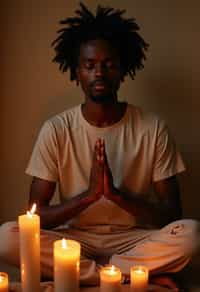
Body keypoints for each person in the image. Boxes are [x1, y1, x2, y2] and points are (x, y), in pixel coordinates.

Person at [0, 2, 199, 289]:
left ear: (123, 70)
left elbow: (172, 213)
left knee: (192, 235)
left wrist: (117, 197)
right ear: (76, 71)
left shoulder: (152, 128)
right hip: (76, 240)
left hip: (134, 239)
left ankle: (82, 272)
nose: (99, 73)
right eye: (90, 65)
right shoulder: (56, 129)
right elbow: (37, 215)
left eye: (109, 65)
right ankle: (129, 273)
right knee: (7, 236)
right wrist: (88, 197)